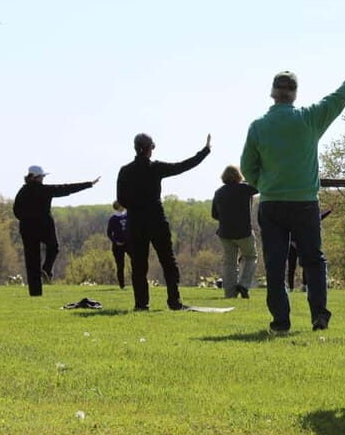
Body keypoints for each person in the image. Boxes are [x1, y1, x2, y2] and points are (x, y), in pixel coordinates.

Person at [241, 43, 345, 333]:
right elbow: (342, 96)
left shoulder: (258, 127)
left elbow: (247, 168)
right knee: (314, 260)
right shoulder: (310, 118)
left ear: (273, 92)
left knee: (275, 265)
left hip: (272, 203)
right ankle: (319, 316)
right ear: (294, 94)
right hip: (304, 202)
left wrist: (264, 184)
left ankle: (280, 321)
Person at [117, 133, 211, 311]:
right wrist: (204, 152)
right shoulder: (155, 168)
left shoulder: (125, 171)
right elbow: (182, 166)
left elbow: (121, 199)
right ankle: (174, 301)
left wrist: (136, 207)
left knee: (138, 265)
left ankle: (141, 304)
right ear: (150, 148)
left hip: (135, 222)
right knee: (168, 261)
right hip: (156, 220)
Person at [13, 166, 99, 296]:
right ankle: (47, 269)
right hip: (44, 226)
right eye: (42, 177)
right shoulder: (44, 190)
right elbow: (65, 189)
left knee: (32, 260)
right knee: (53, 247)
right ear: (37, 177)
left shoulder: (22, 191)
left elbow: (16, 210)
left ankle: (35, 293)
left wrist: (27, 219)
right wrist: (89, 184)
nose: (43, 179)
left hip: (27, 228)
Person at [211, 165, 258, 299]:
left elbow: (214, 214)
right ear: (239, 176)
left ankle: (230, 293)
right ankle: (244, 284)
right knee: (251, 257)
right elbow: (259, 186)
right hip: (244, 232)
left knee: (229, 263)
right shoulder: (245, 189)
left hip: (225, 233)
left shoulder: (219, 192)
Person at [286, 208, 332, 292]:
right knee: (292, 267)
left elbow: (319, 217)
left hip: (302, 244)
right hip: (293, 245)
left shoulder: (306, 219)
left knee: (305, 265)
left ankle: (304, 285)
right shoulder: (293, 218)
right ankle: (291, 287)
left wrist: (329, 211)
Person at [107, 201, 129, 289]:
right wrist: (115, 242)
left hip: (128, 244)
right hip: (117, 246)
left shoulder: (127, 215)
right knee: (120, 265)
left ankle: (138, 281)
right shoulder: (113, 219)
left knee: (136, 261)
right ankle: (122, 285)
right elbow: (109, 233)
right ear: (118, 207)